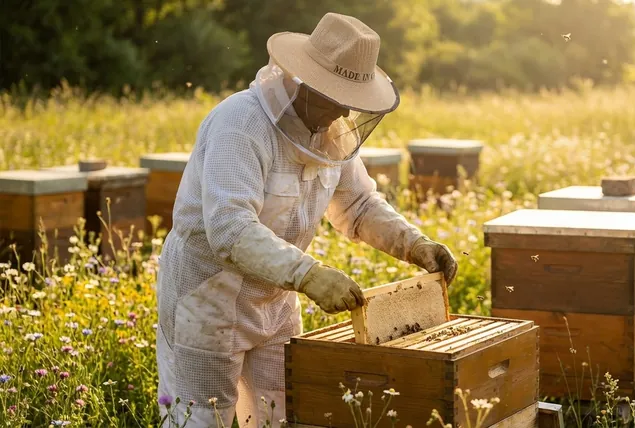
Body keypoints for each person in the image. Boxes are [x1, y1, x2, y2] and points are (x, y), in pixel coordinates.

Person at [155, 12, 458, 427]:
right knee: (201, 418)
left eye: (350, 99)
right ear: (305, 81)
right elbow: (229, 229)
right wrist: (310, 276)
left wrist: (414, 243)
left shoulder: (331, 135)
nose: (343, 110)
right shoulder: (241, 124)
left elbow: (359, 205)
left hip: (276, 303)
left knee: (282, 413)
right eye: (336, 96)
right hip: (208, 297)